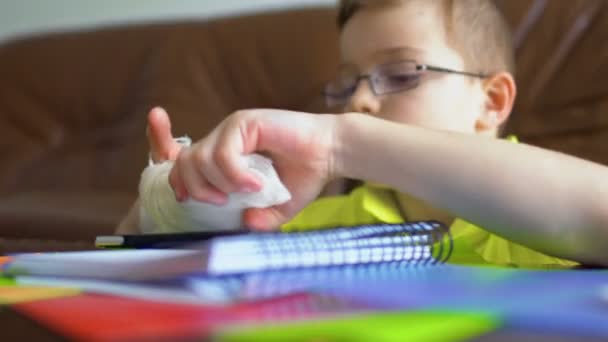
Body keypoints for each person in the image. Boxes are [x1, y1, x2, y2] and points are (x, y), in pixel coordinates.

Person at [117, 0, 608, 267]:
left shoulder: (543, 205)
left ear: (492, 102)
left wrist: (341, 141)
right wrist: (176, 200)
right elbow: (133, 241)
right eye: (349, 82)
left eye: (400, 74)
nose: (361, 101)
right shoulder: (327, 223)